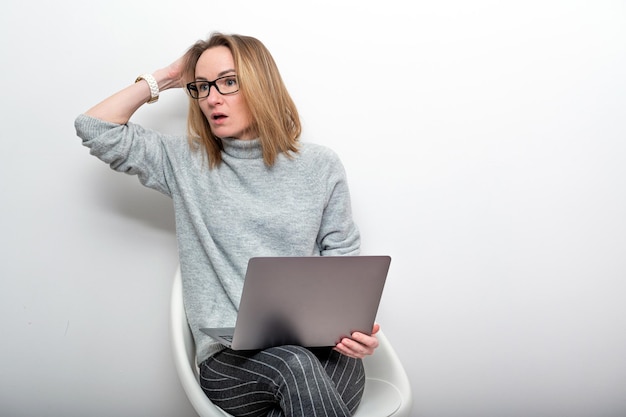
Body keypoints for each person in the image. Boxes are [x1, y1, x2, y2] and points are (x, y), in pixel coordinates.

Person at [75, 32, 380, 416]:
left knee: (305, 379)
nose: (212, 98)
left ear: (261, 84)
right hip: (232, 363)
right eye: (202, 87)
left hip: (322, 351)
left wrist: (355, 329)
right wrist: (167, 76)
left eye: (229, 82)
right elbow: (94, 126)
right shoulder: (186, 162)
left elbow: (343, 261)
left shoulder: (320, 165)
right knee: (295, 367)